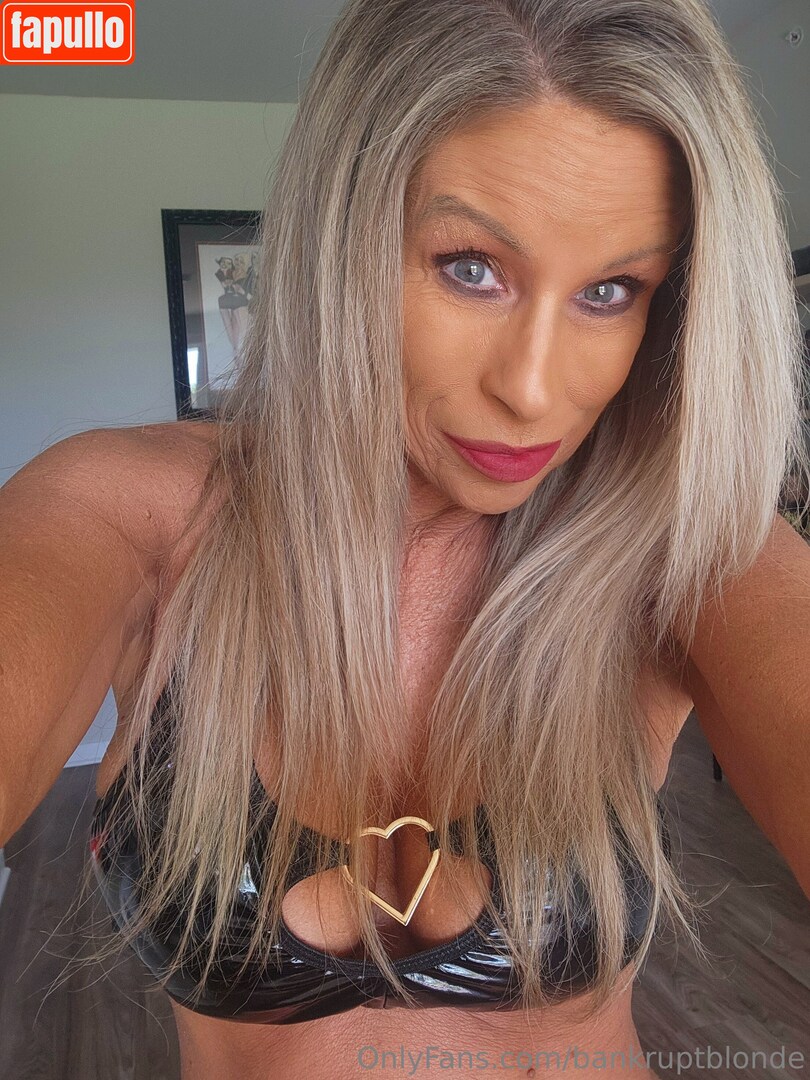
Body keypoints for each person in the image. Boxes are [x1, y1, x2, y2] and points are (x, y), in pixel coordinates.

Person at [2, 0, 809, 1077]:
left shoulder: (681, 550)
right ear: (344, 240)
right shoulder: (136, 516)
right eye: (471, 266)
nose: (532, 390)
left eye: (611, 290)